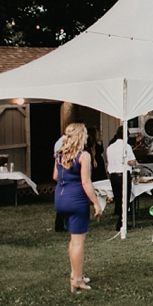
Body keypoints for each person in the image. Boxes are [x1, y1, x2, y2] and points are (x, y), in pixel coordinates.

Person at [54, 123, 102, 292]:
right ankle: (78, 280)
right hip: (76, 199)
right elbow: (86, 182)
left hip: (60, 198)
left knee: (73, 239)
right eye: (86, 134)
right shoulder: (84, 156)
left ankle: (76, 274)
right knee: (78, 241)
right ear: (81, 136)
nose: (88, 136)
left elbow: (54, 176)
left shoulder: (60, 154)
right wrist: (96, 202)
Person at [106, 126, 137, 232]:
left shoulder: (110, 147)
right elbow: (130, 161)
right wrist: (135, 163)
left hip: (113, 175)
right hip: (123, 174)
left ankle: (120, 219)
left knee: (118, 199)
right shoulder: (126, 146)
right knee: (125, 199)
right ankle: (121, 222)